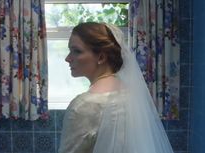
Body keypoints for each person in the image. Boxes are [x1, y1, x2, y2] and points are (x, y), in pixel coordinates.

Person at [58, 22, 174, 153]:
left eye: (76, 51)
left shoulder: (84, 106)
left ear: (101, 57)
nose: (68, 58)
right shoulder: (133, 95)